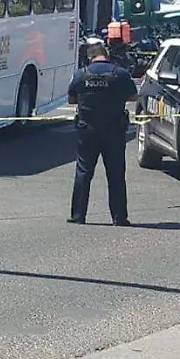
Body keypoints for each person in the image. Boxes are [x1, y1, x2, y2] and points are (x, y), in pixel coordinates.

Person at [67, 43, 138, 226]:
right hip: (114, 130)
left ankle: (78, 215)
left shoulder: (81, 74)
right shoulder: (120, 73)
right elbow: (132, 96)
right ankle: (119, 217)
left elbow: (71, 99)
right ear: (106, 55)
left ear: (90, 57)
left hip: (87, 130)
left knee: (83, 172)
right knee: (115, 174)